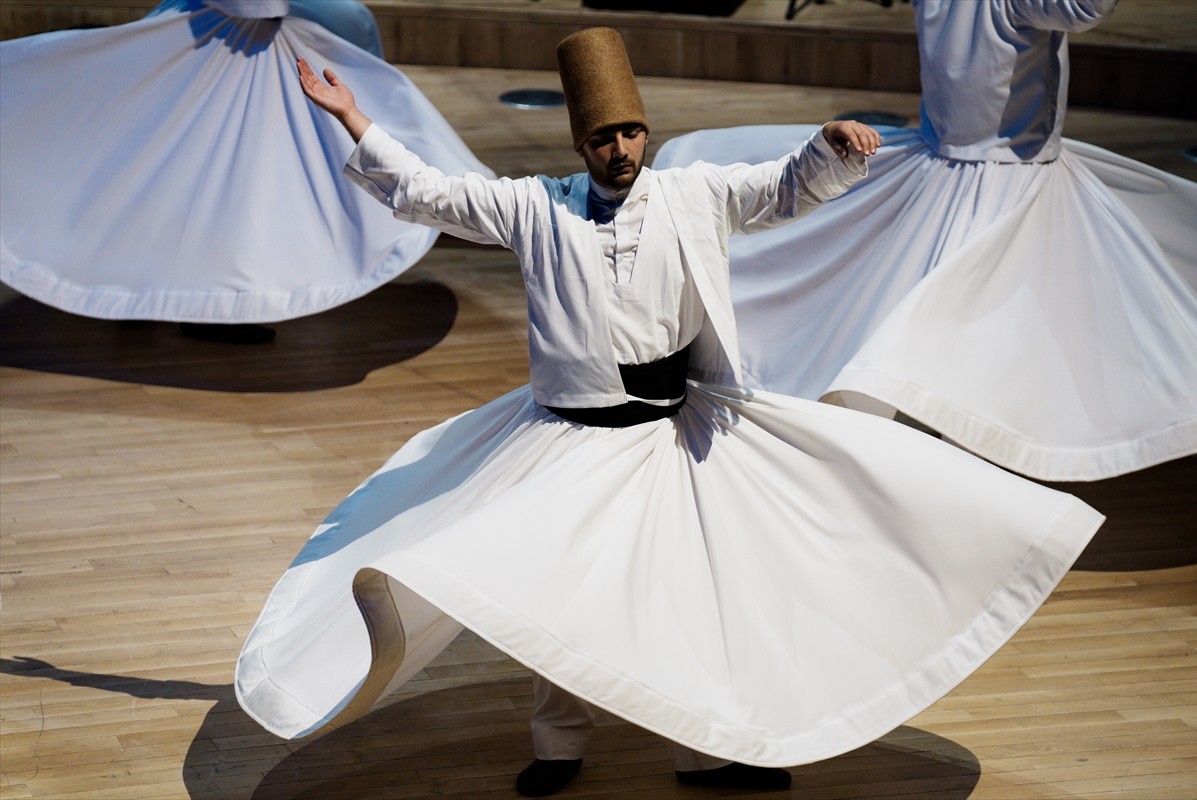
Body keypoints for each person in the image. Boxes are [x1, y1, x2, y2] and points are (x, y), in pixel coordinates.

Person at [235, 27, 1103, 798]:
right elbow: (430, 192)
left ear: (644, 132)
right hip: (569, 441)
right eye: (602, 138)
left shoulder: (694, 196)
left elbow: (782, 187)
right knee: (553, 596)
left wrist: (830, 147)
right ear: (580, 143)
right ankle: (558, 745)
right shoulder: (538, 207)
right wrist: (353, 118)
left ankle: (706, 754)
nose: (619, 149)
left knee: (688, 600)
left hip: (670, 435)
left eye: (630, 133)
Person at [651, 0, 1197, 482]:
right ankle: (960, 442)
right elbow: (1084, 9)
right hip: (1011, 178)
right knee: (982, 317)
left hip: (945, 162)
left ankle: (928, 436)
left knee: (918, 307)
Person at [0, 0, 491, 341]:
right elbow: (256, 7)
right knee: (184, 161)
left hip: (243, 29)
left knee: (203, 169)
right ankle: (164, 291)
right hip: (226, 31)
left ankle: (171, 292)